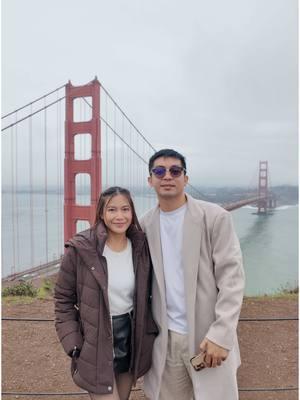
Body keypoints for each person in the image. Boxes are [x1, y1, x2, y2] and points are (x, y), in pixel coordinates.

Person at [140, 149, 245, 400]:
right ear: (150, 180)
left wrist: (222, 334)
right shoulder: (144, 225)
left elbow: (232, 278)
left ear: (185, 179)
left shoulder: (215, 217)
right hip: (166, 340)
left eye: (175, 171)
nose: (167, 176)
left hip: (207, 337)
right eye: (159, 171)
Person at [54, 186, 158, 400]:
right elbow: (63, 300)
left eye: (125, 209)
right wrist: (74, 344)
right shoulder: (81, 249)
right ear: (101, 213)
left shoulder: (141, 247)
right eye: (112, 210)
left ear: (132, 213)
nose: (119, 216)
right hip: (96, 340)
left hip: (131, 339)